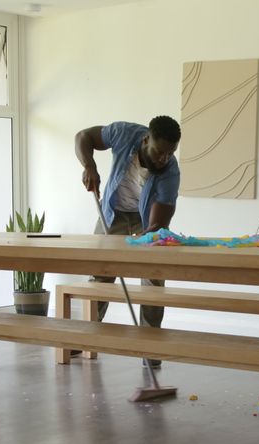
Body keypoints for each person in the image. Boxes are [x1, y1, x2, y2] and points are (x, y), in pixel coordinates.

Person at [74, 116, 181, 368]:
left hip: (146, 219)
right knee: (100, 273)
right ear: (146, 140)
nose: (163, 159)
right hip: (113, 212)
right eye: (159, 152)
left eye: (170, 153)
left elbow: (157, 226)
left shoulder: (170, 172)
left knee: (153, 276)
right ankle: (85, 337)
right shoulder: (123, 133)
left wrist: (142, 245)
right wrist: (89, 166)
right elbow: (83, 137)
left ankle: (150, 348)